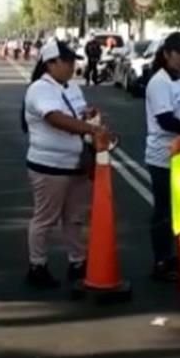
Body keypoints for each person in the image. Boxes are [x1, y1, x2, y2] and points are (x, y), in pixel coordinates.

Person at [21, 39, 109, 288]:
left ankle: (77, 262)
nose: (72, 67)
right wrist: (92, 129)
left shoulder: (71, 87)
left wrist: (89, 115)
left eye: (73, 62)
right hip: (50, 166)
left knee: (74, 217)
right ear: (50, 63)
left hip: (76, 164)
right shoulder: (39, 89)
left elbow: (76, 113)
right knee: (45, 218)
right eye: (67, 62)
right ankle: (37, 265)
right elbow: (55, 118)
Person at [145, 33, 180, 281]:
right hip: (164, 156)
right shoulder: (159, 82)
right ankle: (161, 260)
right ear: (167, 54)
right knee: (164, 211)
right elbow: (165, 119)